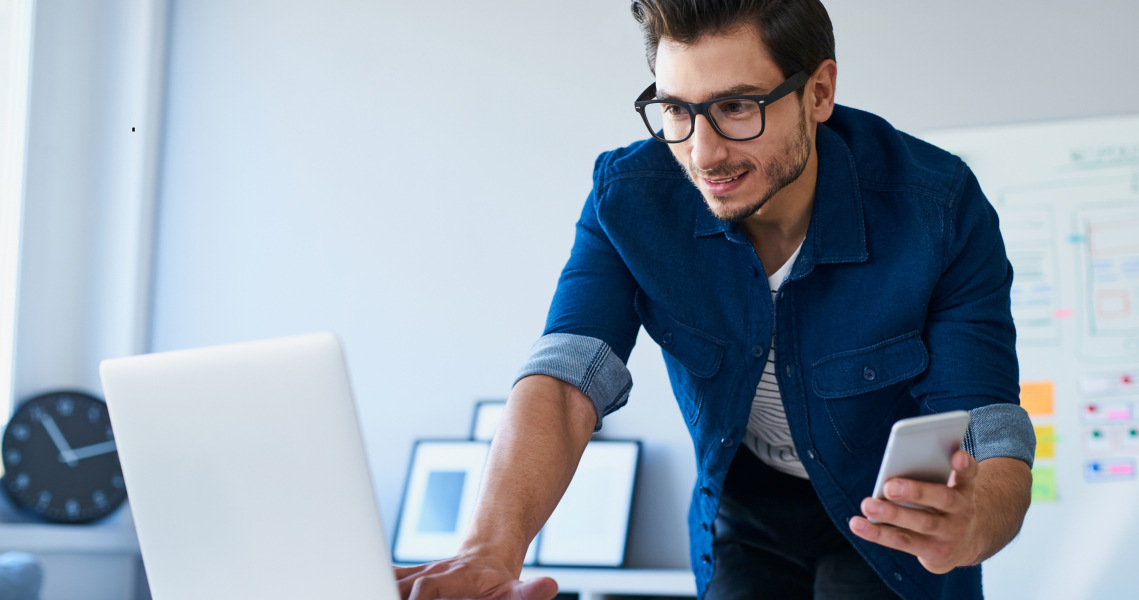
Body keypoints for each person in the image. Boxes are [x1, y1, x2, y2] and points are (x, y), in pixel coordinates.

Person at [396, 1, 1035, 598]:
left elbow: (990, 426)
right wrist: (489, 552)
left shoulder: (939, 207)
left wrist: (975, 520)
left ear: (818, 92)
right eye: (676, 109)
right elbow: (566, 378)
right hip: (745, 511)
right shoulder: (629, 199)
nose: (703, 154)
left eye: (736, 107)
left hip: (892, 522)